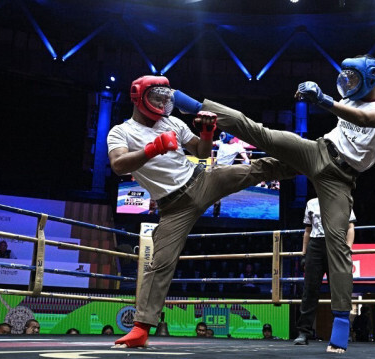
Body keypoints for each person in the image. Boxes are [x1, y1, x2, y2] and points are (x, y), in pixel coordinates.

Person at [173, 54, 375, 353]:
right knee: (262, 137)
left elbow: (364, 119)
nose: (348, 83)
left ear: (371, 76)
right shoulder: (349, 99)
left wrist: (321, 99)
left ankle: (341, 323)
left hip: (341, 177)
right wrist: (313, 95)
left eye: (353, 78)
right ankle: (194, 105)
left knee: (338, 245)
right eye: (345, 77)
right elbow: (344, 112)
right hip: (316, 151)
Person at [107, 75, 296, 349]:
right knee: (159, 264)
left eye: (165, 97)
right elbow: (118, 165)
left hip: (202, 181)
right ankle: (140, 329)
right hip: (173, 207)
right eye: (156, 97)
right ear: (139, 98)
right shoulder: (121, 132)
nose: (162, 102)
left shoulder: (173, 122)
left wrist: (207, 133)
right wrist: (153, 149)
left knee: (257, 169)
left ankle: (311, 161)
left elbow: (203, 151)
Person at [294, 197, 356, 345]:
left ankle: (342, 332)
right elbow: (308, 230)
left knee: (339, 289)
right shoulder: (311, 203)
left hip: (336, 244)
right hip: (315, 245)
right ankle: (304, 332)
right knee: (310, 290)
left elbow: (350, 227)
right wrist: (304, 254)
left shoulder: (343, 200)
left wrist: (347, 249)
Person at [212, 132, 251, 217]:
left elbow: (245, 158)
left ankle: (216, 213)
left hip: (224, 170)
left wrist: (246, 163)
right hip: (215, 165)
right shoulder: (221, 142)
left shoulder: (237, 146)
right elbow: (212, 143)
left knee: (217, 192)